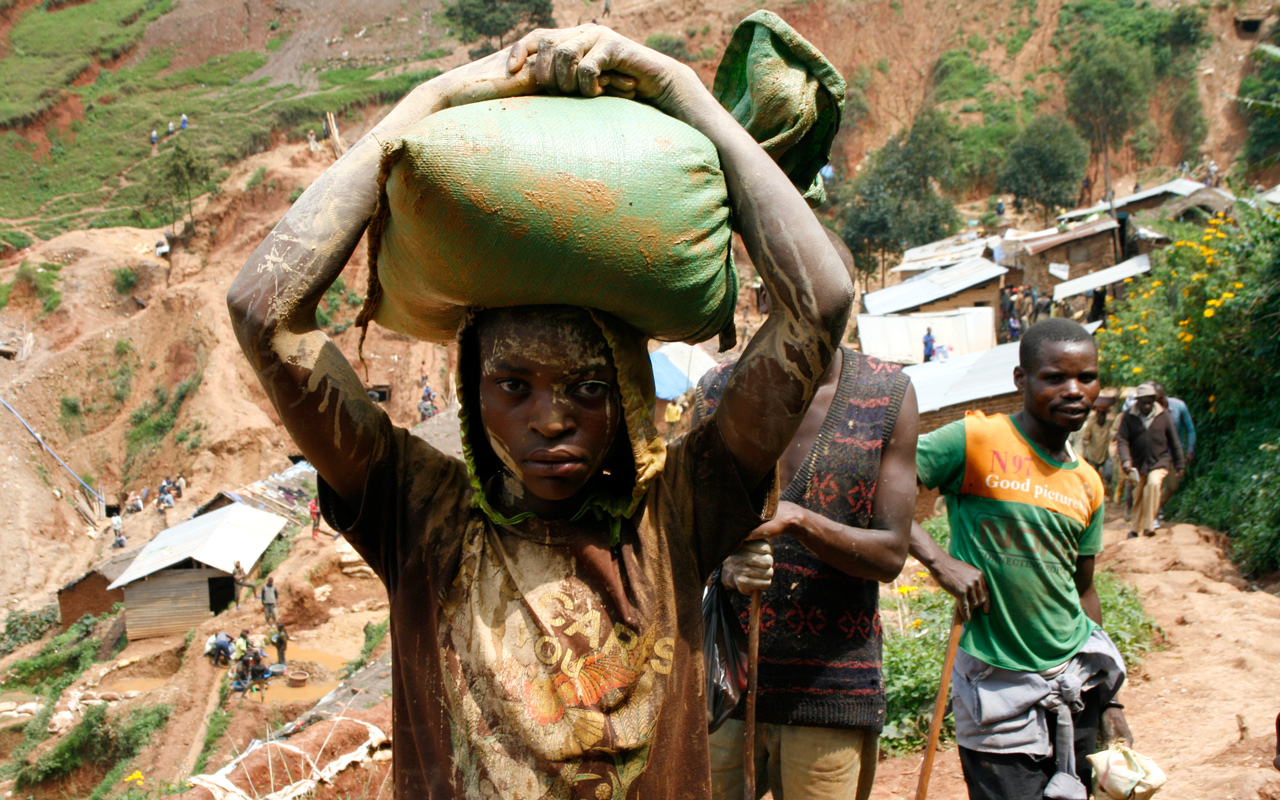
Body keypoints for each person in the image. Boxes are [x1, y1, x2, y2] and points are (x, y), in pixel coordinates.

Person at [227, 25, 852, 798]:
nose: (550, 420)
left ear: (628, 393)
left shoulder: (680, 510)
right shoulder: (418, 514)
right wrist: (430, 102)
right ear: (471, 385)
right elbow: (263, 313)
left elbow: (819, 305)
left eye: (588, 389)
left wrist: (678, 89)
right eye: (513, 386)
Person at [696, 233, 918, 800]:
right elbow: (681, 527)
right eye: (796, 299)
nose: (815, 317)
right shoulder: (717, 392)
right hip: (724, 691)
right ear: (765, 302)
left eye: (831, 303)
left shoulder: (887, 394)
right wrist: (723, 567)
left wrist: (799, 520)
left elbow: (891, 554)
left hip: (828, 696)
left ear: (851, 303)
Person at [911, 318, 1131, 800]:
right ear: (1021, 380)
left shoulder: (1088, 483)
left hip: (1075, 687)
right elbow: (885, 487)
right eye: (1054, 377)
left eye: (1087, 377)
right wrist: (938, 561)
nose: (1074, 390)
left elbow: (1084, 590)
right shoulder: (976, 440)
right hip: (997, 687)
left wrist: (1110, 700)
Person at [1116, 382, 1184, 538]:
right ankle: (1134, 529)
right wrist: (1126, 460)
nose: (1147, 405)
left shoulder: (1163, 415)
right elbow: (1122, 439)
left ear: (1154, 400)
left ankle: (1149, 526)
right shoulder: (1128, 416)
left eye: (1150, 402)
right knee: (1138, 493)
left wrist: (1180, 464)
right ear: (1138, 401)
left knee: (1153, 485)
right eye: (1144, 402)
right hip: (1138, 462)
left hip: (1160, 460)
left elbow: (1174, 441)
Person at [1072, 395, 1117, 485]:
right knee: (1091, 476)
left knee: (1108, 474)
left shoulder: (1109, 424)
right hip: (1093, 454)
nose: (1102, 417)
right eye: (1100, 414)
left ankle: (1106, 491)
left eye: (1103, 415)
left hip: (1104, 454)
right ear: (1097, 414)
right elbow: (1086, 438)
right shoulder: (1091, 424)